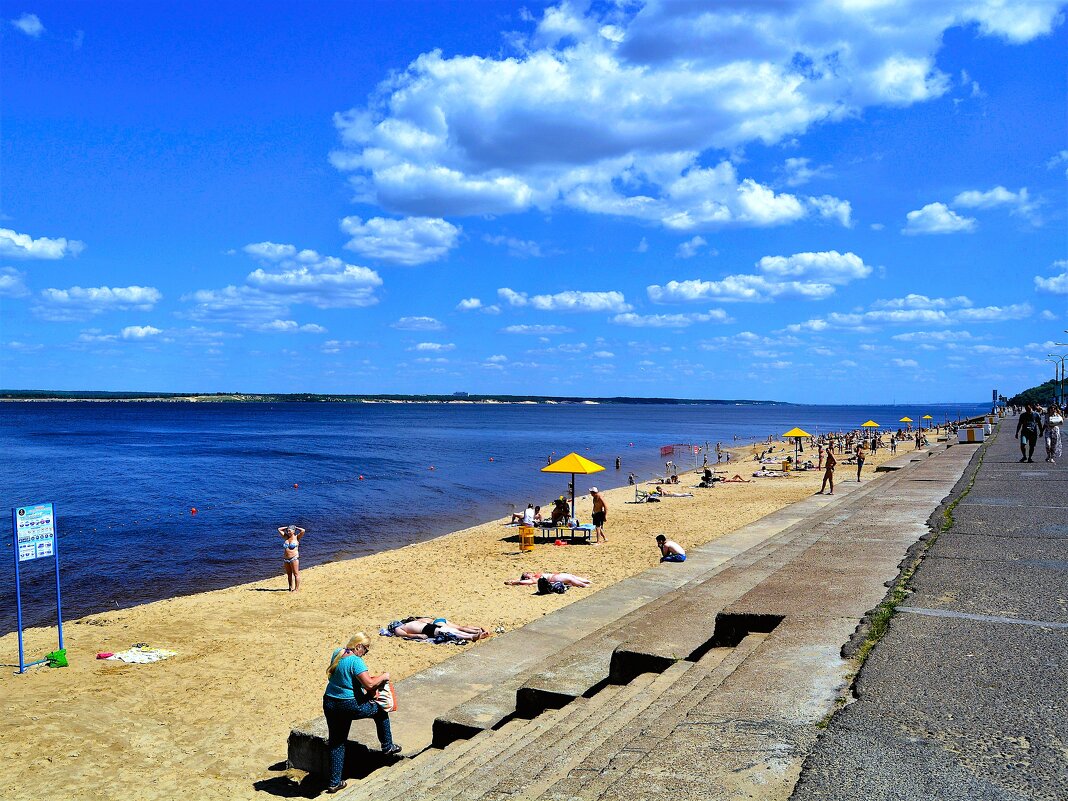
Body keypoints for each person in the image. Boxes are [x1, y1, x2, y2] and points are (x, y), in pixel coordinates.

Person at [322, 633, 401, 794]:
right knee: (380, 711)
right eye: (366, 649)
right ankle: (387, 746)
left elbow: (347, 681)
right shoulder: (356, 662)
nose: (366, 653)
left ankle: (334, 783)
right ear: (358, 646)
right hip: (348, 705)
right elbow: (369, 683)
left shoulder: (337, 652)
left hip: (330, 702)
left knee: (337, 742)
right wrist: (384, 676)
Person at [389, 617, 489, 641]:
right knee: (450, 631)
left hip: (431, 627)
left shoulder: (411, 623)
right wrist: (418, 636)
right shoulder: (398, 629)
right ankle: (472, 636)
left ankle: (474, 635)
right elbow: (407, 635)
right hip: (427, 630)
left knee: (453, 631)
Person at [278, 525, 305, 592]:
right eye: (288, 530)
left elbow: (303, 530)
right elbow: (279, 529)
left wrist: (296, 527)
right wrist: (287, 527)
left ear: (294, 531)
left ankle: (296, 589)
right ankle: (290, 588)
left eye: (290, 530)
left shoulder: (297, 537)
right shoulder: (286, 537)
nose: (288, 532)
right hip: (286, 559)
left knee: (296, 574)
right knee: (289, 574)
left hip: (294, 558)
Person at [505, 571, 592, 588]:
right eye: (527, 574)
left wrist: (513, 580)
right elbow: (522, 582)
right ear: (527, 577)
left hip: (556, 575)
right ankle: (585, 585)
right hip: (554, 578)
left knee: (572, 576)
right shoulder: (534, 579)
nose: (529, 572)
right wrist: (514, 582)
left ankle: (586, 581)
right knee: (570, 579)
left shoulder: (535, 576)